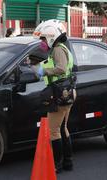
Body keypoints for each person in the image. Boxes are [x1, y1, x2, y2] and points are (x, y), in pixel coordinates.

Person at [33, 19, 76, 173]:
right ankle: (67, 162)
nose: (42, 42)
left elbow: (61, 68)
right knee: (63, 127)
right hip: (65, 91)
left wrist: (42, 71)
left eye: (43, 38)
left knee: (54, 130)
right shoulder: (61, 48)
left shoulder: (58, 49)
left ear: (52, 36)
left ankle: (56, 165)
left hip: (60, 93)